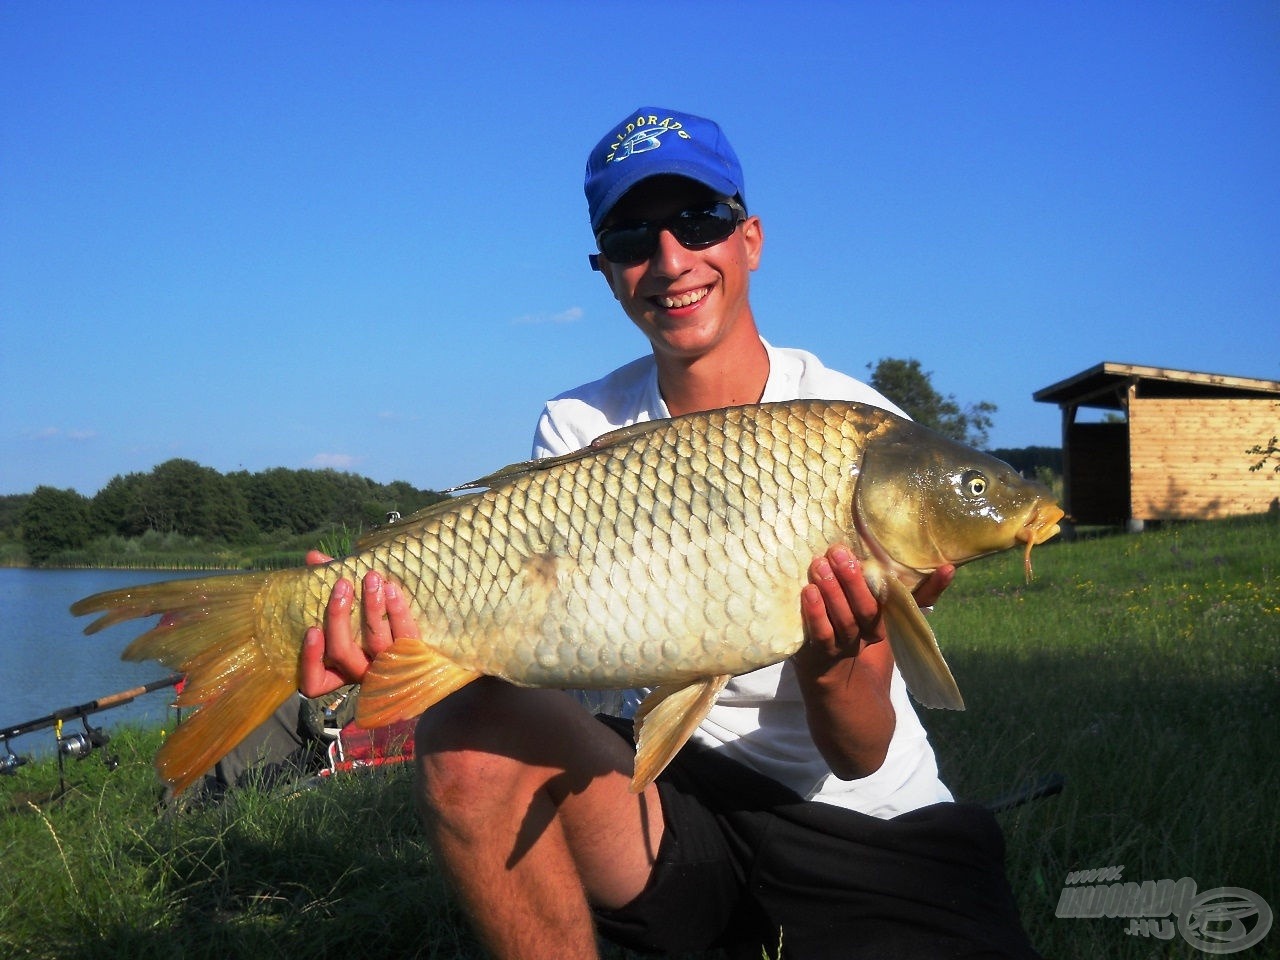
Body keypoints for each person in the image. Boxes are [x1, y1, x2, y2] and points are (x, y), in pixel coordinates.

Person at [299, 107, 1041, 959]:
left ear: (750, 237)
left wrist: (833, 657)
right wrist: (392, 626)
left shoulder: (866, 433)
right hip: (658, 795)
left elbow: (862, 750)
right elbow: (539, 660)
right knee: (461, 739)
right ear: (606, 271)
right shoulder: (579, 424)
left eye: (699, 221)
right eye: (631, 238)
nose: (671, 260)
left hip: (856, 818)